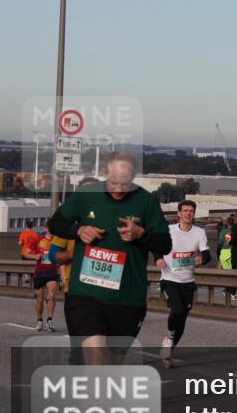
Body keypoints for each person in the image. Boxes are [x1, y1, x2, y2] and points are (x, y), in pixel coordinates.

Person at [47, 151, 171, 365]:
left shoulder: (147, 201)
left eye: (125, 183)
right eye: (114, 183)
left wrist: (141, 234)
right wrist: (78, 230)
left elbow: (165, 245)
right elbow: (55, 224)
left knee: (111, 366)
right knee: (96, 358)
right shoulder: (86, 195)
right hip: (86, 293)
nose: (119, 189)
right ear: (105, 173)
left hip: (127, 298)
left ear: (133, 177)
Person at [157, 200, 211, 367]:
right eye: (185, 210)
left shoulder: (199, 232)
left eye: (191, 211)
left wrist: (202, 259)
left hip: (188, 281)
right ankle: (169, 337)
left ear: (194, 214)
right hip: (169, 279)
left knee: (182, 319)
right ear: (179, 213)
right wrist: (158, 258)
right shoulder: (168, 230)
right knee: (177, 310)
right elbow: (157, 247)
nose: (188, 213)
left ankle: (169, 351)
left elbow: (207, 255)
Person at [23, 232, 59, 331]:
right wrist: (34, 256)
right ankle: (39, 320)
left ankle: (50, 320)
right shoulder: (37, 240)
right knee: (39, 299)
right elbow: (25, 253)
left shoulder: (58, 241)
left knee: (52, 295)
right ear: (47, 228)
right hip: (39, 273)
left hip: (52, 272)